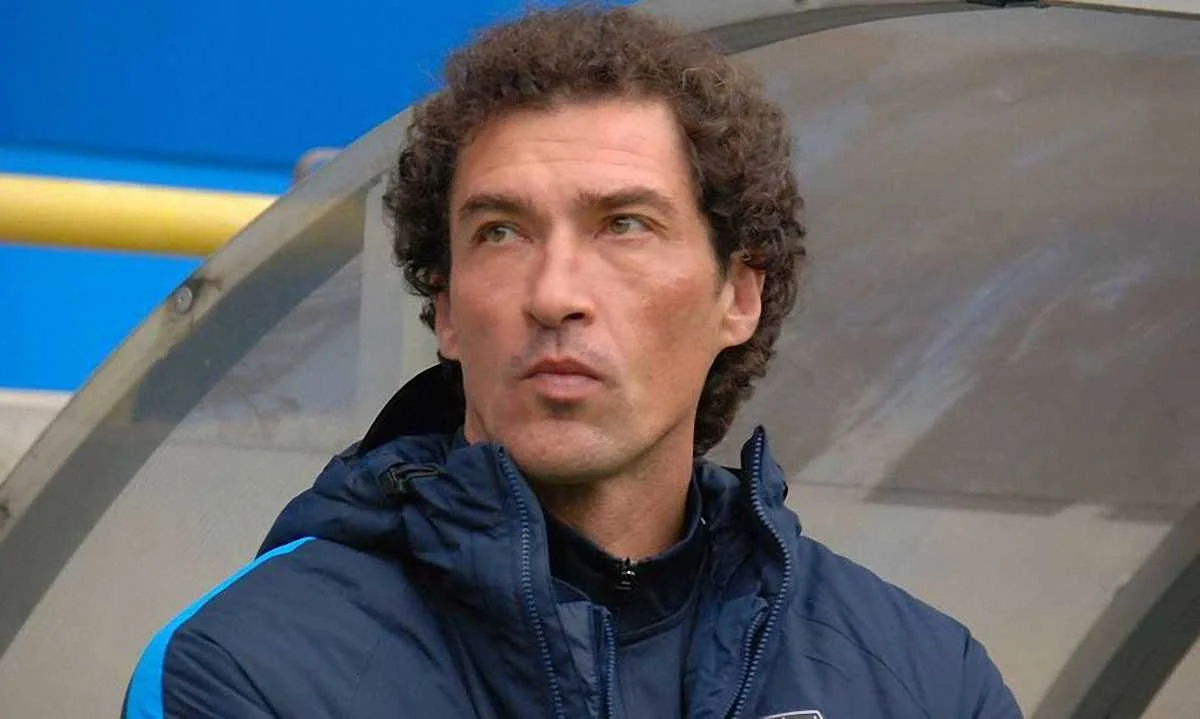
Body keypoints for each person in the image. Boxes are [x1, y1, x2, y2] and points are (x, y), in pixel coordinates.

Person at [124, 6, 1020, 718]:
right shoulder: (249, 666)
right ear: (445, 307)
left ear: (738, 295)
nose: (554, 293)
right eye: (500, 231)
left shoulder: (924, 680)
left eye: (624, 224)